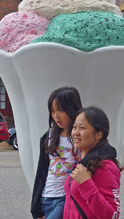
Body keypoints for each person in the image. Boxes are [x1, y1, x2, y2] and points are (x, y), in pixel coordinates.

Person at [31, 86, 83, 219]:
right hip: (46, 198)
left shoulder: (80, 136)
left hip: (66, 198)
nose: (56, 116)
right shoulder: (48, 137)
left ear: (72, 109)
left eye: (60, 110)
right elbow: (41, 172)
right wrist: (35, 208)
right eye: (52, 111)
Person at [63, 107, 123, 219]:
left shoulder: (105, 167)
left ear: (98, 134)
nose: (75, 132)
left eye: (82, 128)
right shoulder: (84, 163)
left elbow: (112, 215)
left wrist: (86, 183)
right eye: (74, 127)